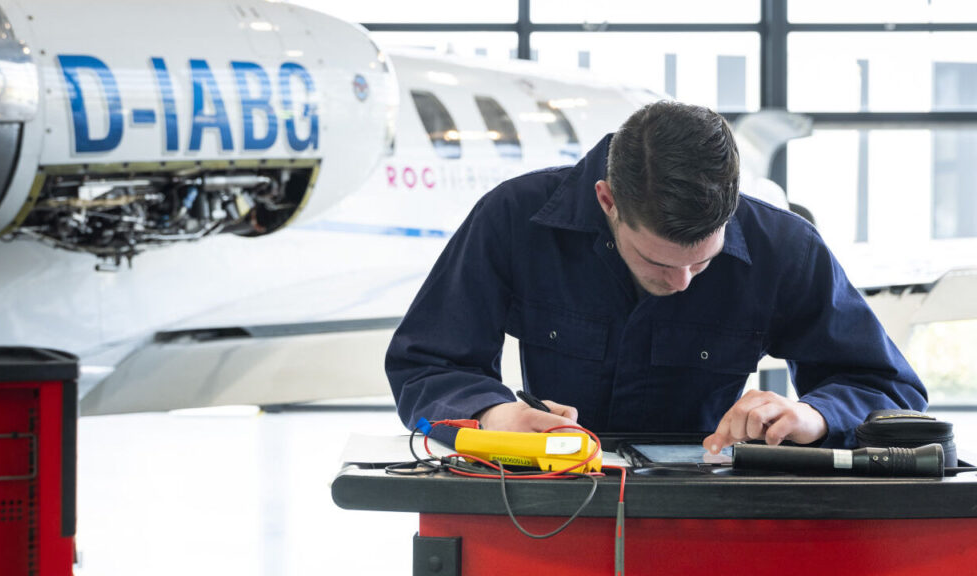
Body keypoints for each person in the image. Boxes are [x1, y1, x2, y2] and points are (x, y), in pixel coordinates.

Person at [385, 100, 927, 453]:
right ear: (608, 201)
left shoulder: (784, 247)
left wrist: (813, 415)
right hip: (539, 498)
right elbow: (426, 363)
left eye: (704, 261)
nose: (685, 282)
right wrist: (494, 414)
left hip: (716, 510)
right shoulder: (513, 218)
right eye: (660, 263)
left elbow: (891, 389)